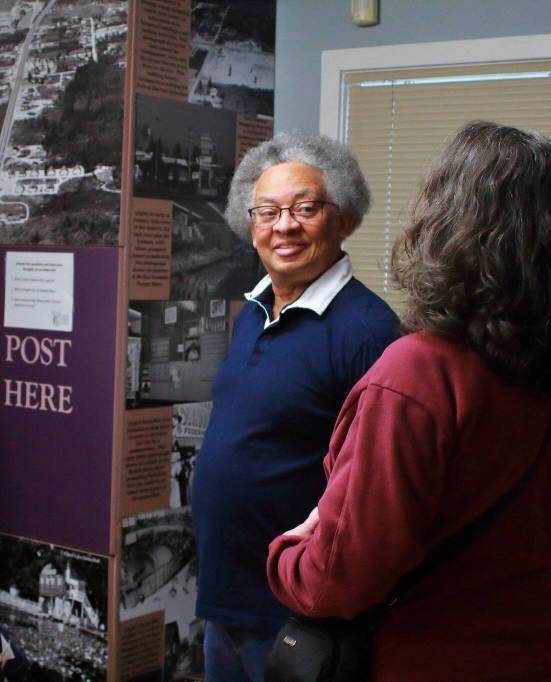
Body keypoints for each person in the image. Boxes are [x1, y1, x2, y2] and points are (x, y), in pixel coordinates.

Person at [266, 121, 551, 681]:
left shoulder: (416, 373)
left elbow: (335, 583)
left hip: (425, 659)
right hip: (537, 655)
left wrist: (287, 551)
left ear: (452, 227)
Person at [191, 132, 400, 681]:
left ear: (344, 219)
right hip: (226, 601)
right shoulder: (252, 313)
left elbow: (376, 490)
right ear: (249, 224)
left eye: (306, 208)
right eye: (268, 212)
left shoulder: (369, 332)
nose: (284, 226)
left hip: (299, 618)